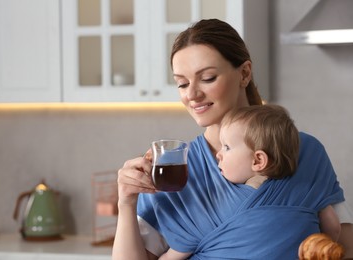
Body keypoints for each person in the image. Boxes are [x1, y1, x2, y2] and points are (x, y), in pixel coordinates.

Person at [112, 19, 351, 259]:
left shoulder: (305, 152)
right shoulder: (173, 170)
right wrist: (126, 203)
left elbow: (346, 247)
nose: (192, 95)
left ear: (244, 73)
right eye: (182, 83)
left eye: (207, 78)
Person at [158, 104, 341, 260]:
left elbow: (176, 253)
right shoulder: (307, 190)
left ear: (258, 161)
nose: (218, 154)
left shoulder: (216, 204)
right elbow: (333, 228)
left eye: (227, 147)